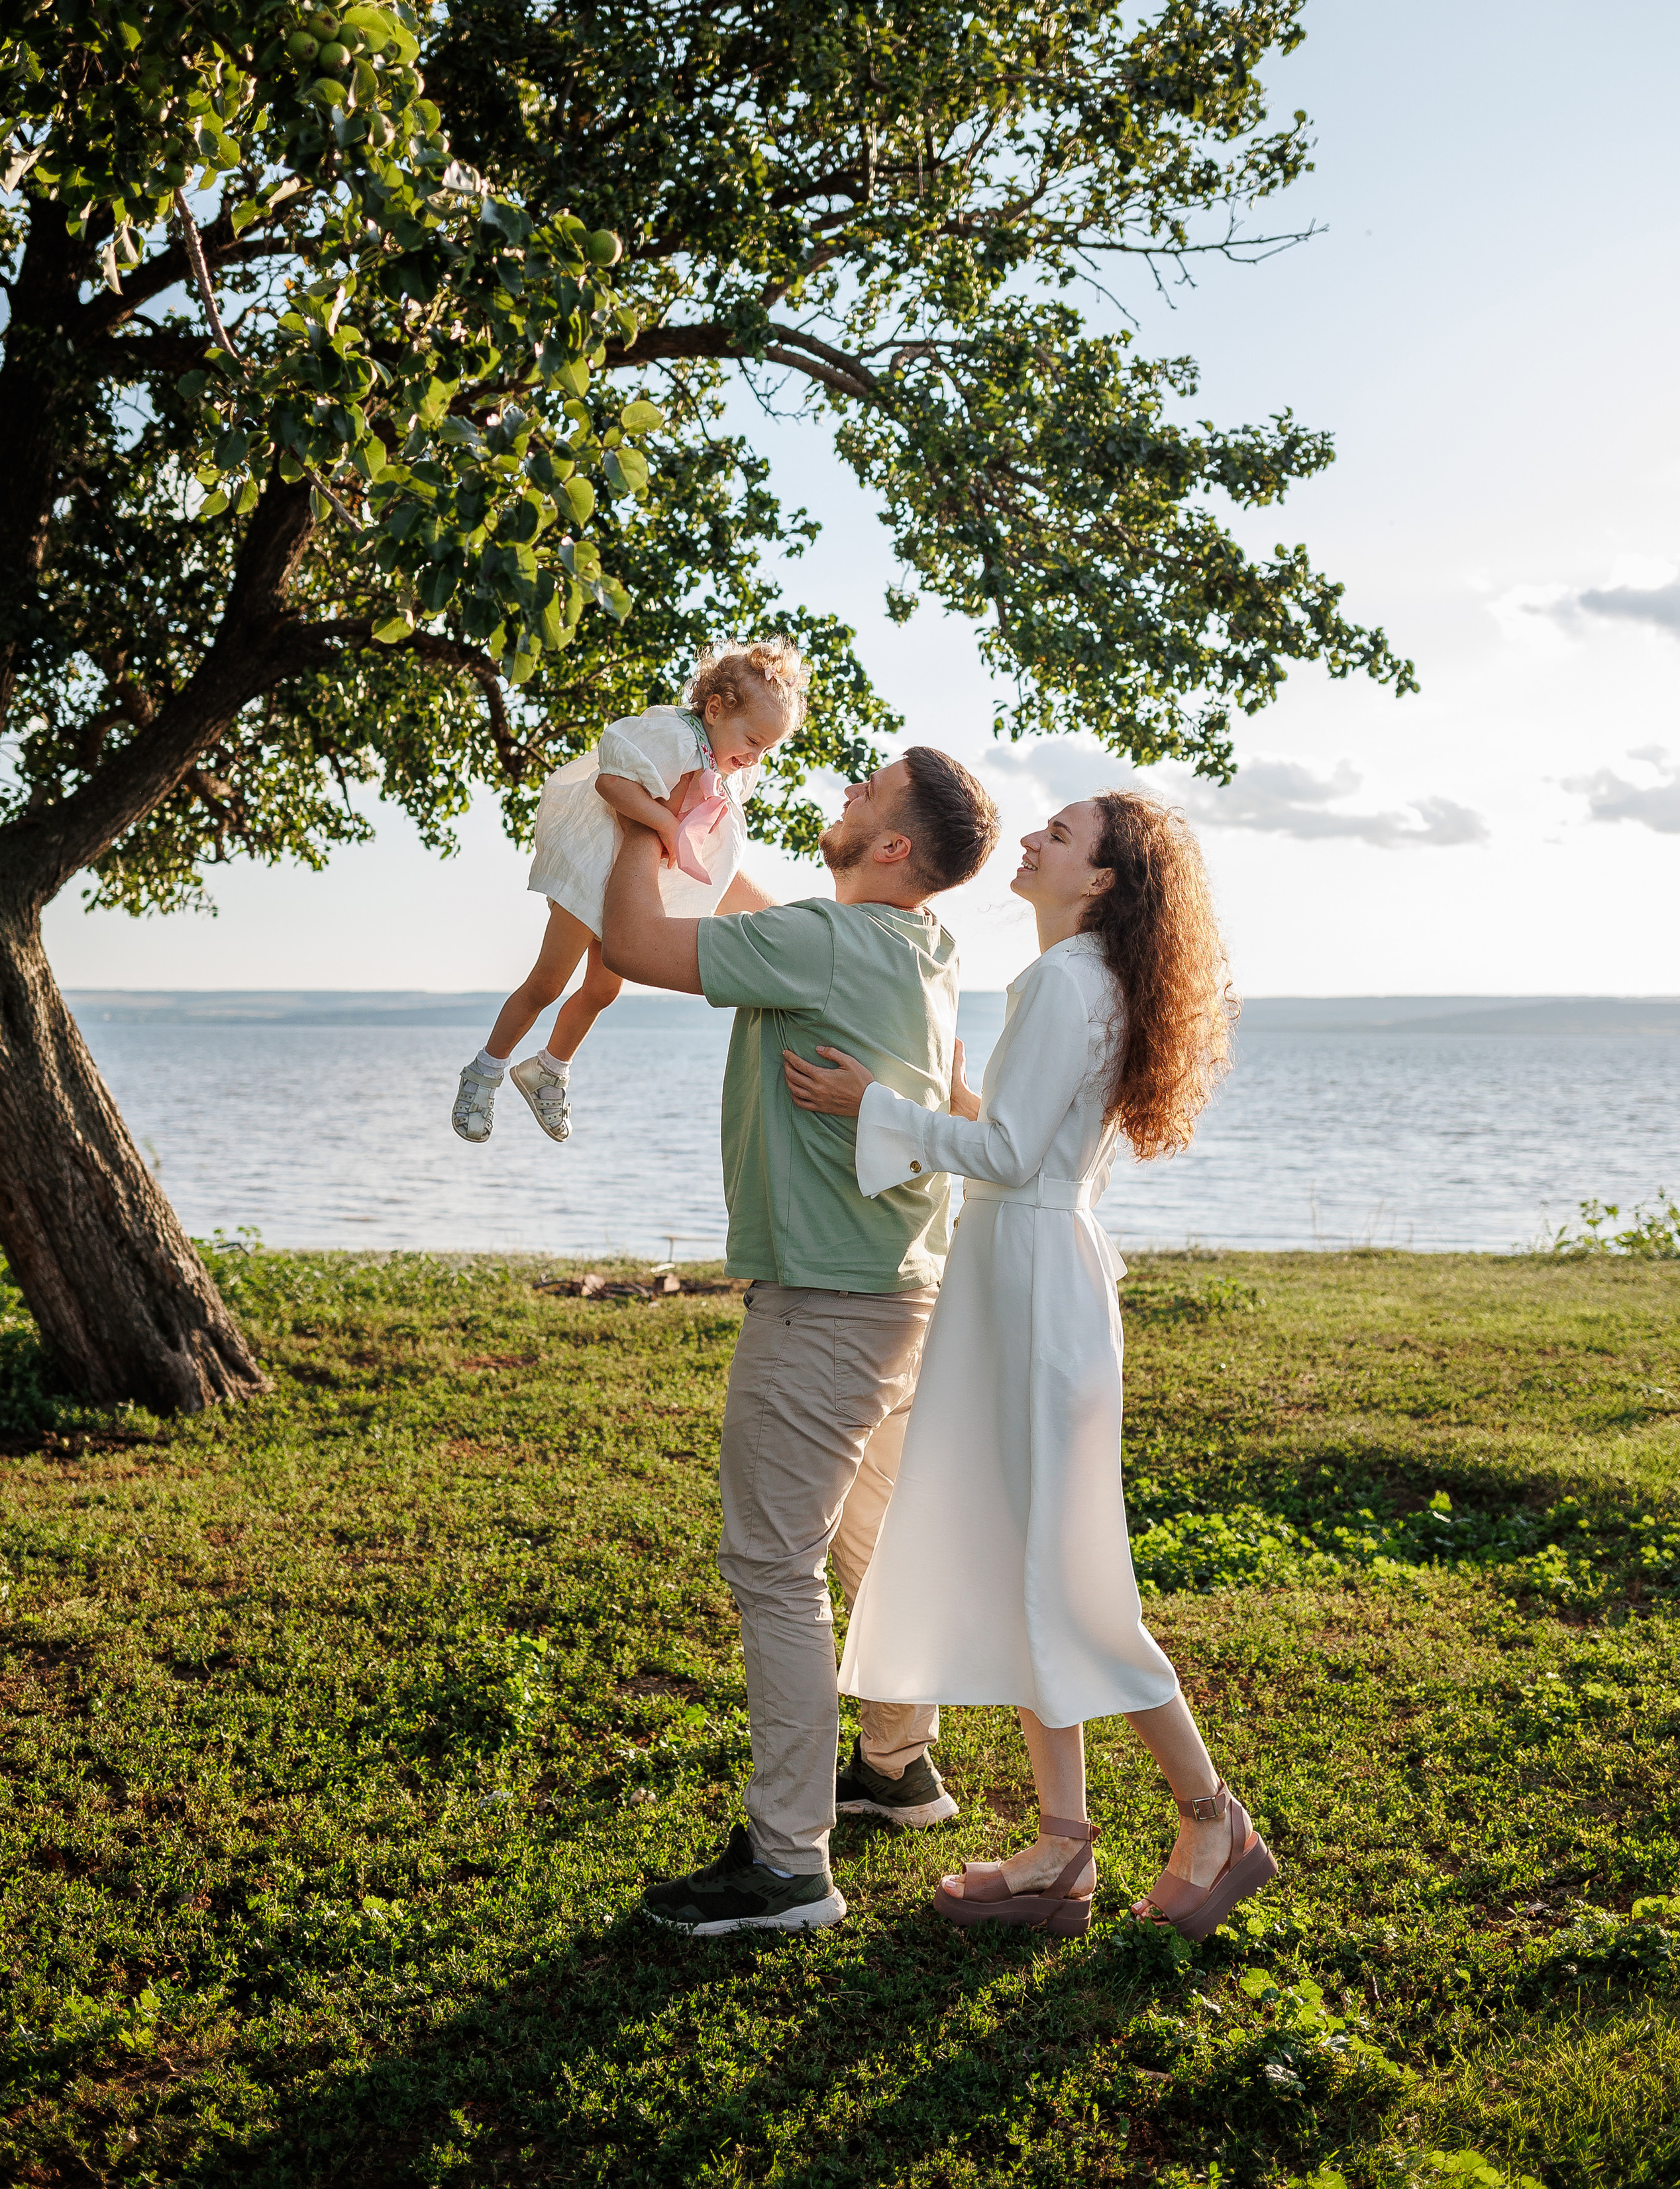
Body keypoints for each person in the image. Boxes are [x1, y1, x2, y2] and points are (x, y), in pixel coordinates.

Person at [783, 790, 1278, 1941]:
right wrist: (956, 1097)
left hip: (1031, 1283)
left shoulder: (1067, 980)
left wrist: (882, 1105)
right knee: (1026, 1565)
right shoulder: (1092, 979)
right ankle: (1063, 1846)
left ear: (1102, 880)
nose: (1035, 842)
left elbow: (1006, 1158)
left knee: (1068, 1576)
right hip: (1034, 1274)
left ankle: (1214, 1820)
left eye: (1061, 836)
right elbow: (1029, 1139)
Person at [600, 747, 1002, 1937]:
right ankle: (895, 1766)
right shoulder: (924, 947)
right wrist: (700, 845)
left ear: (891, 848)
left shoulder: (827, 945)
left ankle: (789, 1866)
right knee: (869, 1536)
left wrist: (637, 823)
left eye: (865, 792)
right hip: (903, 1292)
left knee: (774, 1567)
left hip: (825, 1301)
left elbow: (631, 945)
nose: (844, 792)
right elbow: (764, 915)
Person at [450, 639, 805, 1148]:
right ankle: (484, 1071)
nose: (754, 757)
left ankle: (549, 1069)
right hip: (598, 867)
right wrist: (664, 824)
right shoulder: (673, 735)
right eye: (752, 740)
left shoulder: (729, 767)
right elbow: (612, 784)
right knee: (547, 983)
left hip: (633, 886)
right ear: (714, 708)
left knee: (604, 990)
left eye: (767, 749)